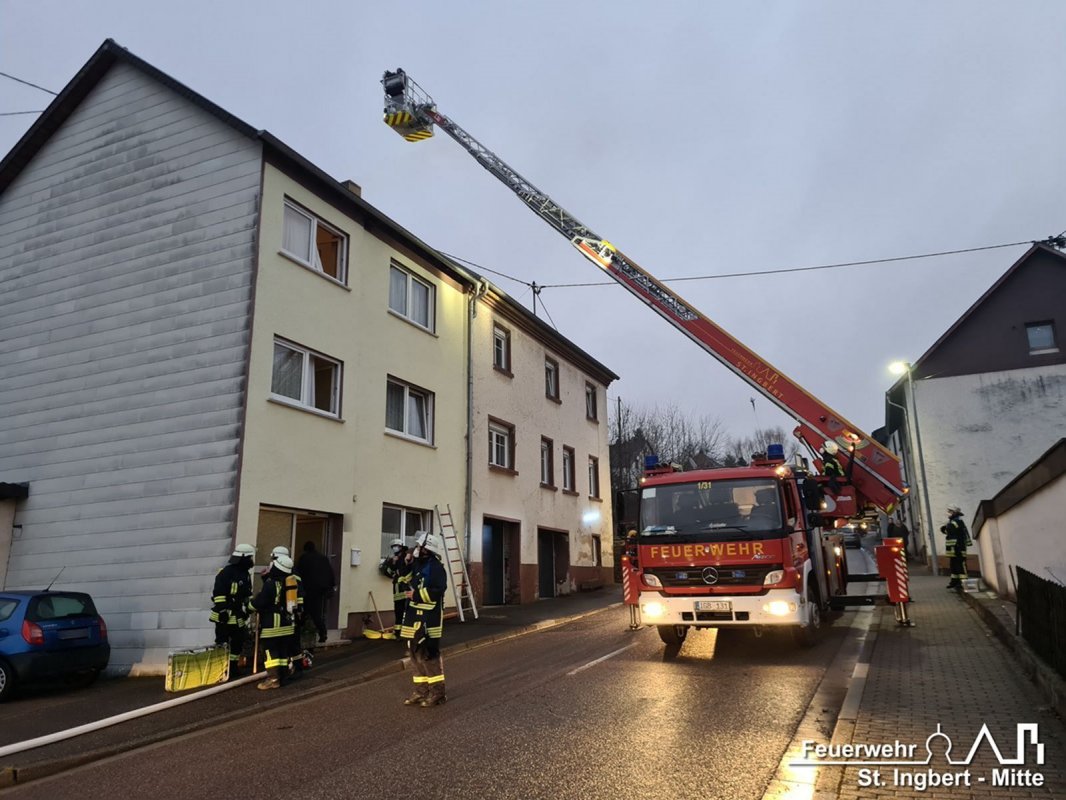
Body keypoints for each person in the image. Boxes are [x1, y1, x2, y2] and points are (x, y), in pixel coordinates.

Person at [400, 531, 449, 707]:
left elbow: (438, 590)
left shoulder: (435, 567)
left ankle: (438, 693)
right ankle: (421, 691)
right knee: (414, 655)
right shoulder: (419, 564)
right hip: (414, 618)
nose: (416, 549)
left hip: (429, 619)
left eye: (419, 546)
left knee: (429, 655)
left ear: (426, 549)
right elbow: (404, 579)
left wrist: (417, 594)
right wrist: (406, 563)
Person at [209, 543, 255, 676]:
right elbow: (218, 594)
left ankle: (233, 667)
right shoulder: (226, 573)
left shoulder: (245, 574)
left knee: (237, 641)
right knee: (222, 642)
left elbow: (247, 594)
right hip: (224, 615)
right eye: (249, 558)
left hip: (237, 615)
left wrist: (248, 608)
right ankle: (220, 669)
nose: (251, 561)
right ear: (243, 558)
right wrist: (222, 610)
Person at [252, 554, 297, 690]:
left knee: (270, 651)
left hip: (273, 624)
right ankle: (282, 677)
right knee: (282, 651)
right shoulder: (289, 582)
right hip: (287, 624)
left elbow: (262, 601)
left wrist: (249, 606)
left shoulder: (271, 584)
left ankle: (273, 679)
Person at [297, 541, 335, 644]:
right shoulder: (323, 558)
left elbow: (298, 573)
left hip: (307, 589)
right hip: (320, 590)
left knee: (303, 611)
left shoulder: (304, 559)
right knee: (317, 613)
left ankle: (298, 633)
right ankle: (322, 633)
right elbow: (330, 573)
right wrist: (331, 586)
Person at [379, 538, 412, 638]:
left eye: (396, 546)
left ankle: (405, 633)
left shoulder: (406, 556)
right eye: (393, 547)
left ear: (401, 546)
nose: (394, 548)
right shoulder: (396, 558)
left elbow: (408, 570)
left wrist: (404, 580)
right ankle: (398, 633)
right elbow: (389, 571)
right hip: (398, 588)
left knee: (406, 610)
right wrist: (391, 562)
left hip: (405, 588)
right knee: (398, 611)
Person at [942, 504, 971, 591]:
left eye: (950, 511)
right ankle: (954, 581)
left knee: (960, 565)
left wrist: (944, 529)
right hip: (953, 549)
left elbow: (953, 532)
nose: (948, 513)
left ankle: (962, 582)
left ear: (954, 512)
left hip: (958, 547)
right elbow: (950, 532)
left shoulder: (957, 522)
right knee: (954, 565)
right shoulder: (953, 521)